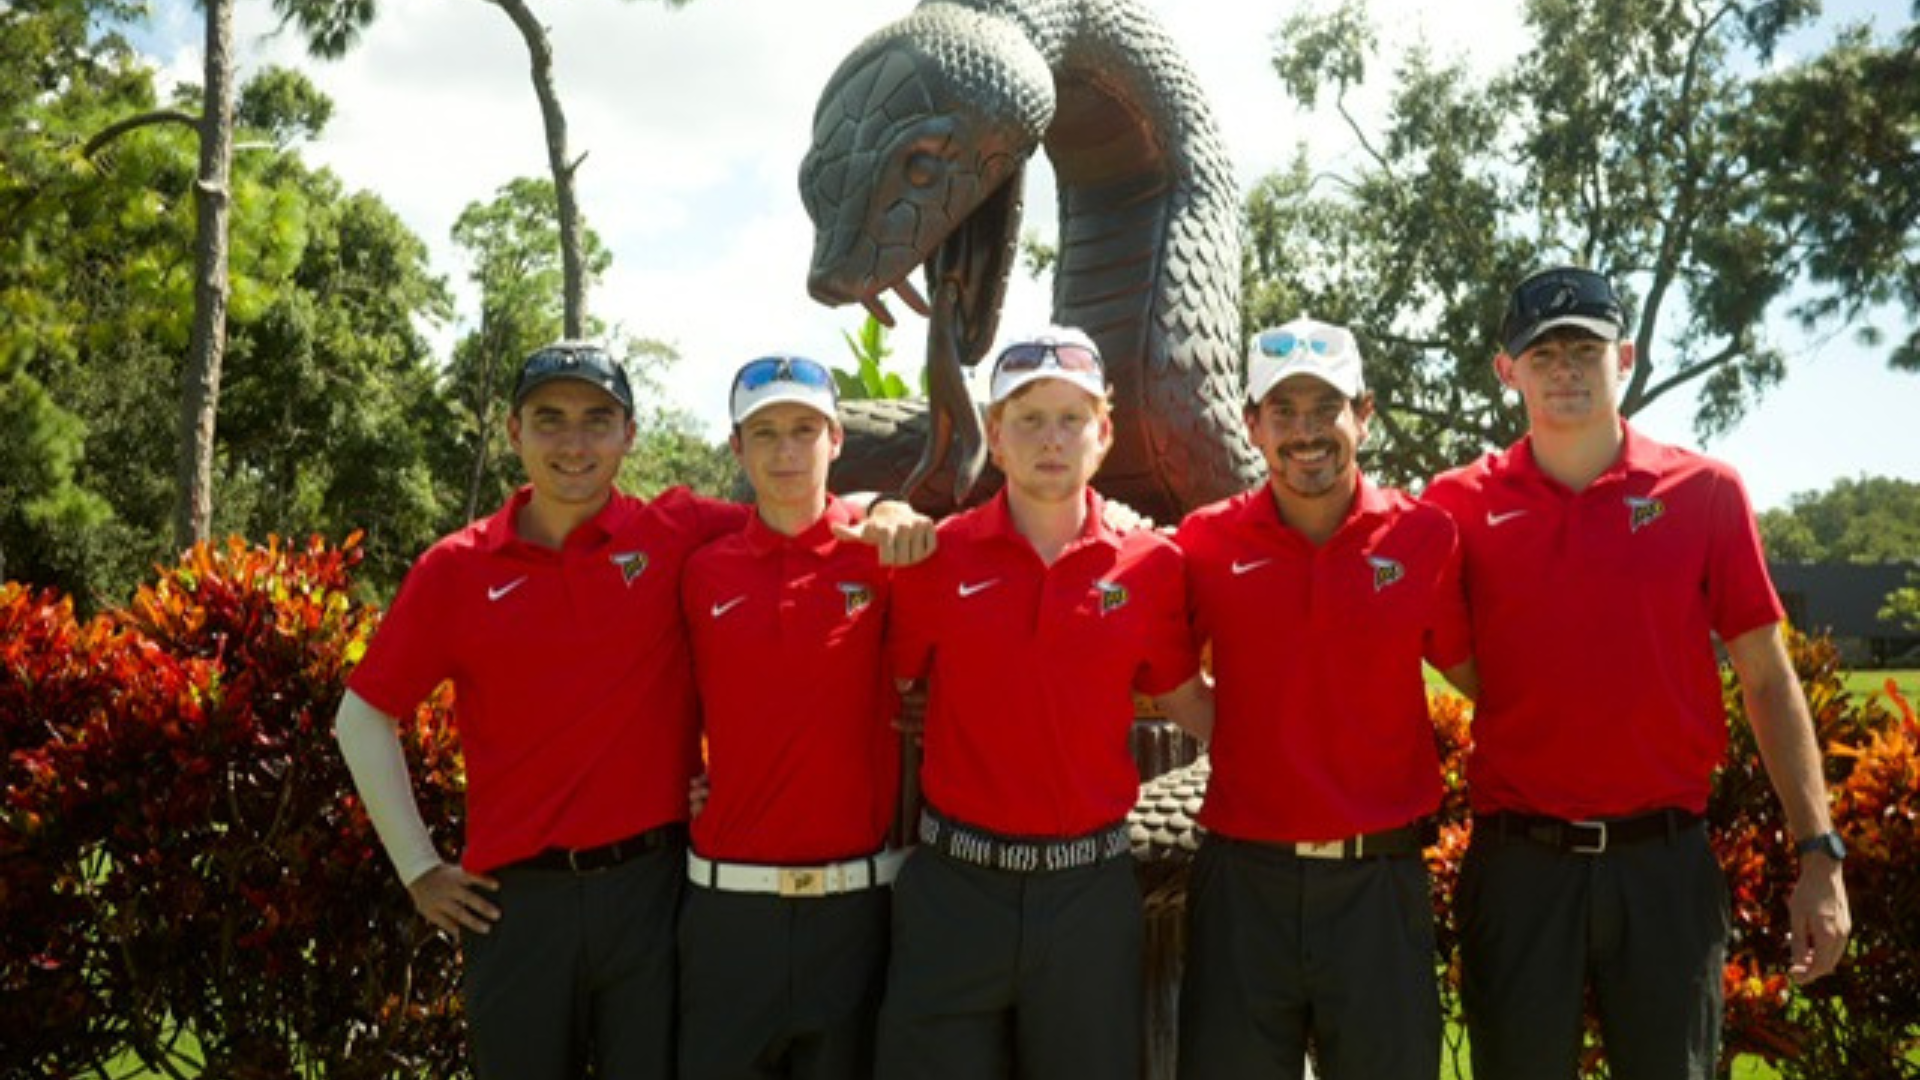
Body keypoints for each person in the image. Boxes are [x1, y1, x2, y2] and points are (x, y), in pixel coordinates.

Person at [332, 341, 932, 1080]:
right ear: (514, 432)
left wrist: (885, 506)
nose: (574, 443)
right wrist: (420, 870)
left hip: (654, 893)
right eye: (549, 420)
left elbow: (799, 514)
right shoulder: (456, 567)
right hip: (516, 904)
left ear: (630, 435)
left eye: (598, 420)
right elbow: (361, 717)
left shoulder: (674, 530)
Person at [1421, 266, 1853, 1080]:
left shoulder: (1706, 492)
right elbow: (1394, 597)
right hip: (1520, 868)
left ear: (1623, 355)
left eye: (1584, 348)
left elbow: (1767, 677)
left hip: (1664, 866)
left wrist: (1819, 853)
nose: (1565, 369)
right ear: (1506, 370)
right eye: (1542, 353)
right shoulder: (1457, 503)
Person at [874, 326, 1213, 1080]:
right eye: (1028, 418)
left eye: (1072, 418)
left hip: (1088, 898)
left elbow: (1188, 701)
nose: (1051, 439)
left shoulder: (1152, 566)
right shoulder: (936, 559)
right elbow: (874, 693)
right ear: (994, 436)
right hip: (955, 892)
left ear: (1105, 435)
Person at [1172, 316, 1477, 1080]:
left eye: (1325, 409)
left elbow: (1483, 679)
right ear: (1252, 425)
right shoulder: (1204, 543)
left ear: (1363, 417)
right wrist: (1233, 733)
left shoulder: (1425, 537)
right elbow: (1154, 667)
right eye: (1283, 412)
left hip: (1379, 887)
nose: (1305, 432)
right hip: (1244, 887)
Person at [676, 355, 906, 1080]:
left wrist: (888, 507)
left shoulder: (883, 555)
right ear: (736, 448)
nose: (785, 451)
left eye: (804, 429)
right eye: (765, 432)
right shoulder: (700, 569)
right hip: (725, 914)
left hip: (855, 913)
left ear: (836, 438)